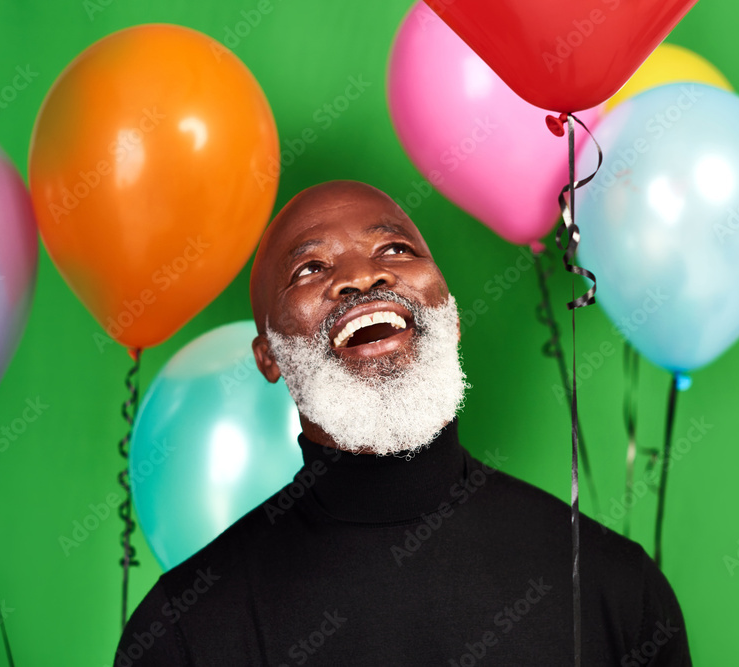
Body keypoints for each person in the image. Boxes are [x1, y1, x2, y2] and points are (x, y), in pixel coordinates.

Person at [114, 180, 692, 666]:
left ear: (451, 313)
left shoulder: (615, 589)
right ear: (270, 356)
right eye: (311, 268)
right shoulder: (182, 631)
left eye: (393, 250)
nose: (363, 278)